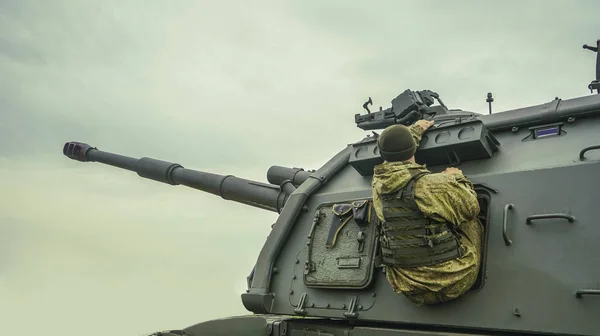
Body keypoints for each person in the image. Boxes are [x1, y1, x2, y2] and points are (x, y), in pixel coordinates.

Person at [371, 119, 483, 306]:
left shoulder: (378, 183)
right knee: (469, 221)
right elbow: (471, 206)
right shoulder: (431, 184)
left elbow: (391, 155)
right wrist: (455, 177)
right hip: (454, 282)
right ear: (413, 150)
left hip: (408, 287)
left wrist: (414, 130)